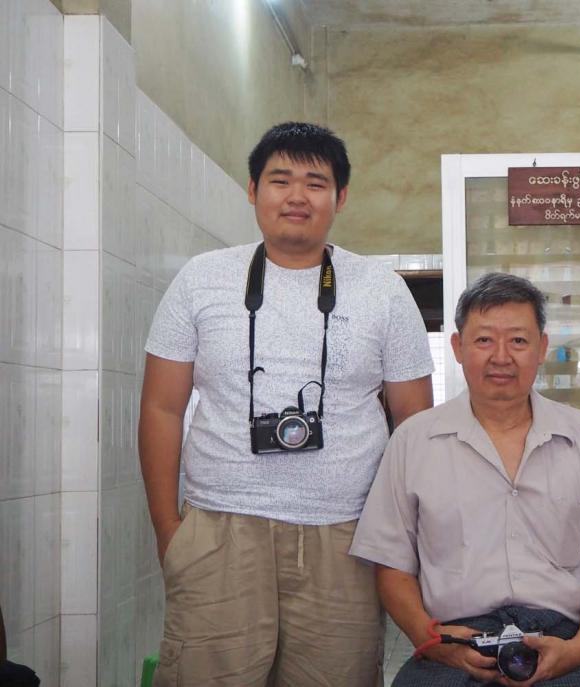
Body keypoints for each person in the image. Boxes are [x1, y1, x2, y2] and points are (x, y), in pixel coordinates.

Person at [139, 122, 434, 686]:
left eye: (315, 183)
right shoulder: (202, 279)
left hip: (346, 535)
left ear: (340, 197)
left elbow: (415, 423)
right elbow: (161, 408)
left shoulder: (381, 288)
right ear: (252, 190)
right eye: (280, 180)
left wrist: (404, 536)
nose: (297, 196)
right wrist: (169, 531)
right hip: (220, 528)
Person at [350, 272, 580, 686]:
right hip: (452, 643)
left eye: (519, 341)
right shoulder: (413, 441)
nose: (501, 356)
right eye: (484, 340)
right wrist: (431, 638)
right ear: (457, 347)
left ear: (542, 348)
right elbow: (391, 564)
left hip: (564, 642)